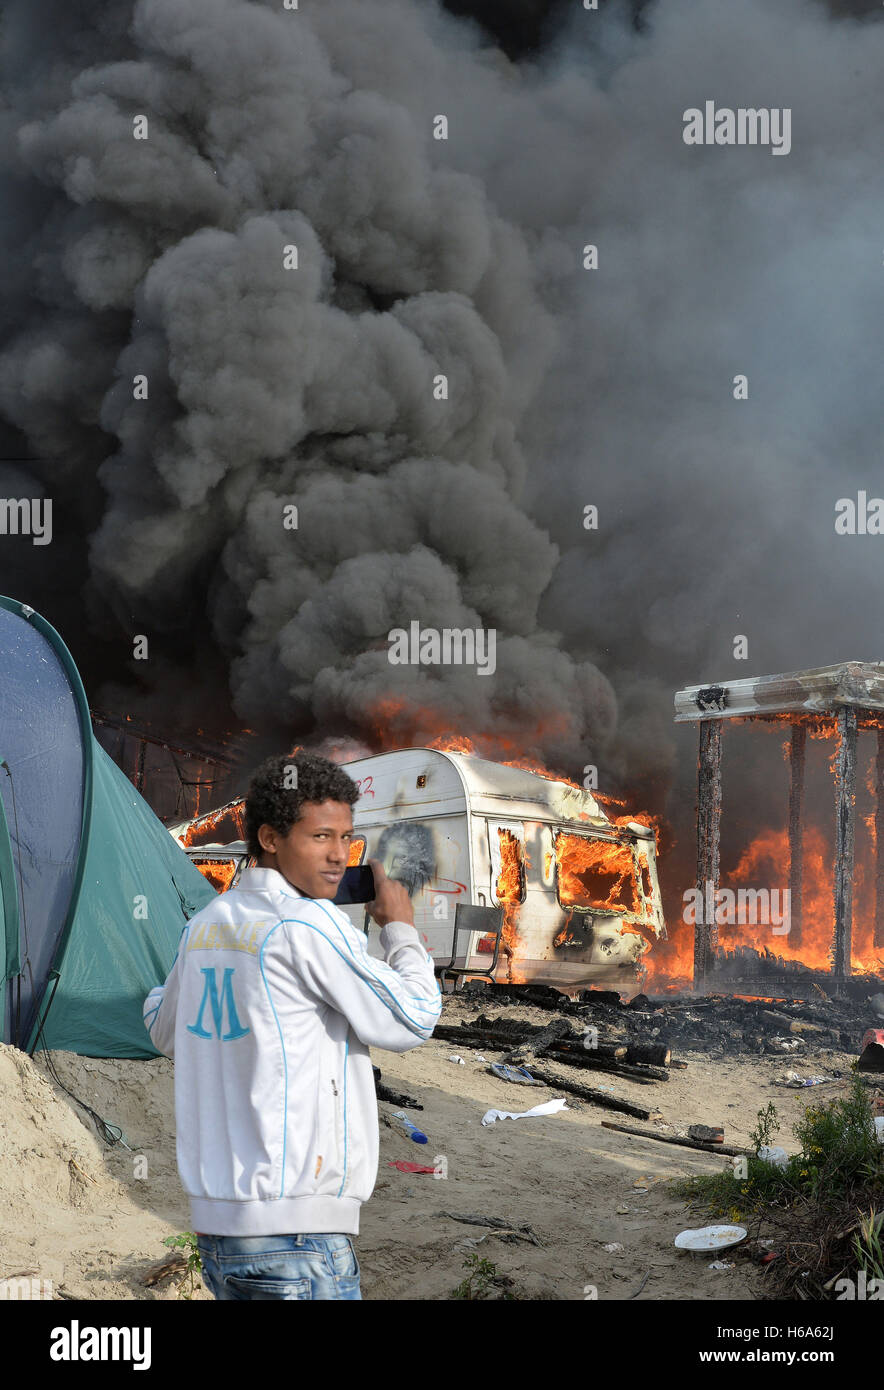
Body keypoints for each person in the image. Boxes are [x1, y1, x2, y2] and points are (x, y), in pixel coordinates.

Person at [143, 750, 442, 1300]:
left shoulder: (205, 926)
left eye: (347, 839)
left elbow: (163, 1029)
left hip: (220, 1235)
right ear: (270, 838)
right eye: (320, 837)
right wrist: (399, 929)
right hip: (298, 1236)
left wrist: (168, 990)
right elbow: (413, 1017)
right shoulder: (309, 925)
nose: (338, 856)